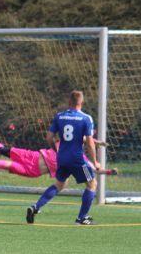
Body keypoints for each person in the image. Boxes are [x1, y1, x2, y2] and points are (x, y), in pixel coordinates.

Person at [27, 90, 101, 225]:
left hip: (62, 158)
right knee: (92, 184)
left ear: (69, 102)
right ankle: (82, 218)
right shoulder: (86, 118)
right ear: (82, 102)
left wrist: (55, 150)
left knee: (59, 184)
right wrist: (95, 161)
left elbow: (49, 137)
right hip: (77, 159)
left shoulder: (59, 116)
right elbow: (90, 143)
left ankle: (35, 207)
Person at [0, 133, 116, 180]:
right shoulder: (67, 142)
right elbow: (85, 138)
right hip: (32, 156)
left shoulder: (80, 159)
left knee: (2, 164)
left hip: (32, 171)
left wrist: (109, 172)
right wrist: (99, 142)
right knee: (4, 150)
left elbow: (94, 170)